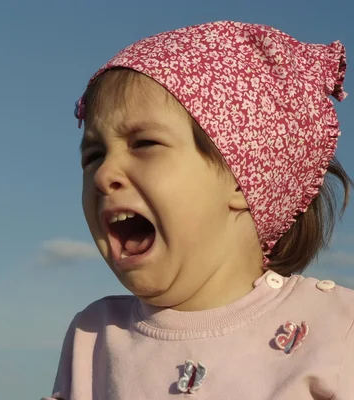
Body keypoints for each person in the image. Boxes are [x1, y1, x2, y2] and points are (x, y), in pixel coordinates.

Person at [42, 21, 354, 399]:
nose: (104, 173)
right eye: (93, 154)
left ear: (243, 175)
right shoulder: (94, 336)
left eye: (143, 143)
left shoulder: (337, 328)